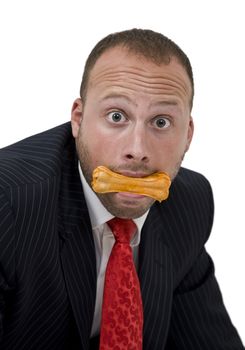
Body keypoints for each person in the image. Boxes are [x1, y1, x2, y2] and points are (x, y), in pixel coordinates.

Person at [0, 28, 244, 350]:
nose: (137, 149)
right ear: (79, 119)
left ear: (187, 134)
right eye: (117, 116)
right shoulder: (9, 204)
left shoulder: (190, 202)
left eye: (161, 122)